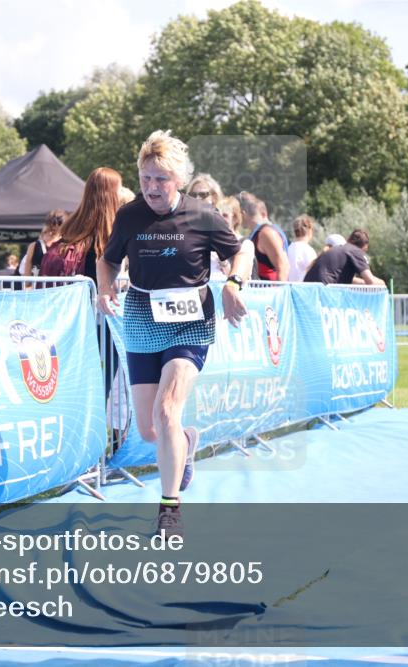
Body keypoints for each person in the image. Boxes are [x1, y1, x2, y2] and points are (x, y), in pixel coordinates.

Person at [97, 130, 253, 537]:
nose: (151, 187)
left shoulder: (202, 215)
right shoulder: (130, 215)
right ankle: (184, 441)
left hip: (191, 322)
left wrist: (234, 284)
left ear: (178, 180)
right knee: (151, 429)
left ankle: (169, 508)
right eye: (146, 178)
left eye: (160, 180)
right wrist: (104, 286)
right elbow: (108, 260)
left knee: (167, 409)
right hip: (141, 317)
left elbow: (243, 250)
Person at [41, 167, 122, 286]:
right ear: (112, 195)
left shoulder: (72, 228)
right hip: (95, 300)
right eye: (120, 189)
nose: (122, 193)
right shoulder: (112, 235)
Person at [303, 229, 386, 286]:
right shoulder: (356, 251)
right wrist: (383, 283)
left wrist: (364, 282)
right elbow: (370, 281)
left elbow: (349, 279)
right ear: (364, 247)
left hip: (310, 288)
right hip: (324, 290)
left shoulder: (342, 249)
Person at [238, 191, 289, 281]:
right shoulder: (261, 233)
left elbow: (283, 266)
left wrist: (279, 292)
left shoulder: (266, 233)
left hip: (268, 291)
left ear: (243, 214)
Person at [22, 209, 66, 280]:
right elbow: (27, 278)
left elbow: (27, 279)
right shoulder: (34, 246)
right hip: (42, 288)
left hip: (55, 288)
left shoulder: (66, 246)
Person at [287, 215, 318, 283]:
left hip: (289, 288)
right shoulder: (309, 250)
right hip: (303, 289)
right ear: (310, 230)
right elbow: (314, 272)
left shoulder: (288, 248)